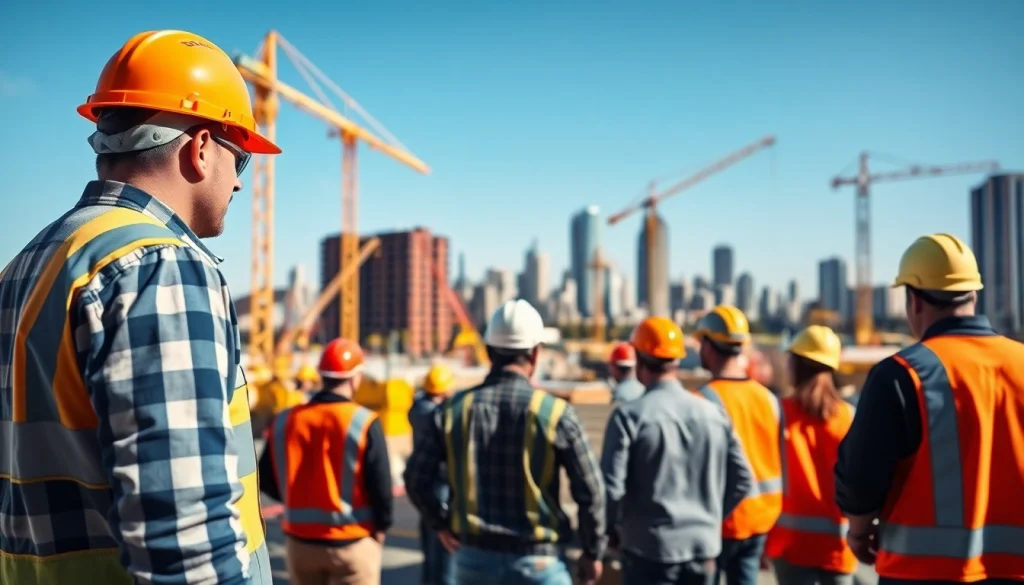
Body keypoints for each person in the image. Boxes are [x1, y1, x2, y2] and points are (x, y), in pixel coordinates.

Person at [0, 30, 279, 584]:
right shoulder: (160, 265)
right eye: (240, 161)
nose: (240, 186)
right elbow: (183, 533)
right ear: (200, 149)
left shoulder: (29, 263)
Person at [835, 233, 1024, 584]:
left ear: (914, 301)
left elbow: (860, 476)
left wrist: (859, 531)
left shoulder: (901, 374)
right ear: (974, 295)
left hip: (923, 574)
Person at [404, 299, 607, 585]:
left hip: (473, 559)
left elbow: (416, 478)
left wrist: (441, 524)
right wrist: (592, 551)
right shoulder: (555, 414)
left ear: (488, 352)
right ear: (535, 354)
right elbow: (591, 491)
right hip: (539, 562)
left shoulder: (452, 411)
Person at [601, 317, 753, 585]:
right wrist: (711, 517)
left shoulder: (628, 417)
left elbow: (611, 490)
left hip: (648, 551)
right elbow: (743, 479)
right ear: (678, 360)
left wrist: (612, 531)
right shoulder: (713, 414)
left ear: (639, 358)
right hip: (703, 549)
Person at [258, 338, 393, 585]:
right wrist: (382, 527)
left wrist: (296, 499)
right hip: (353, 542)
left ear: (321, 376)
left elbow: (265, 478)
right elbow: (381, 485)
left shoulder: (285, 420)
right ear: (355, 378)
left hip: (300, 545)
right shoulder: (363, 422)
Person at [693, 305, 783, 585]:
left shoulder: (703, 401)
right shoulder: (768, 399)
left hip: (721, 523)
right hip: (761, 520)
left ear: (708, 346)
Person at [765, 325, 857, 585]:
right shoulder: (849, 417)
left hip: (791, 543)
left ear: (796, 366)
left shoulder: (780, 414)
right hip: (839, 544)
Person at [409, 363, 458, 585]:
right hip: (441, 483)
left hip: (425, 484)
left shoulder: (417, 409)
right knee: (445, 551)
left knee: (430, 552)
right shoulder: (437, 415)